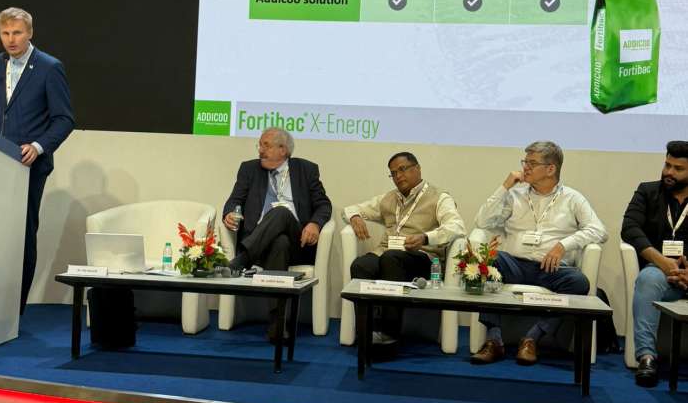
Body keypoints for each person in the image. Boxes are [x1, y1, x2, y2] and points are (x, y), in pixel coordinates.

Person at [0, 7, 73, 314]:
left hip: (27, 166)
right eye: (5, 33)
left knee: (20, 236)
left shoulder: (49, 67)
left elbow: (63, 119)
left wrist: (38, 146)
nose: (11, 39)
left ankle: (12, 312)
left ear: (29, 33)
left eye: (17, 32)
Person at [471, 140, 607, 366]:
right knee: (487, 261)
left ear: (551, 169)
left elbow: (599, 230)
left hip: (550, 269)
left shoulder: (572, 198)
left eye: (532, 163)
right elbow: (482, 222)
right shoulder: (514, 194)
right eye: (524, 162)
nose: (525, 167)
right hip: (514, 263)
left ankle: (531, 339)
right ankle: (494, 340)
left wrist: (563, 245)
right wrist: (504, 187)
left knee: (579, 282)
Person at [342, 152, 466, 345]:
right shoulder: (388, 198)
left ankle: (389, 334)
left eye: (402, 169)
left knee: (392, 258)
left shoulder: (440, 197)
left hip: (422, 257)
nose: (398, 176)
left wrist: (425, 237)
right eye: (393, 173)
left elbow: (457, 227)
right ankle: (366, 332)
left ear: (418, 169)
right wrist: (355, 217)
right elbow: (349, 209)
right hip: (387, 253)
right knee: (361, 265)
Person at [621, 141, 688, 388]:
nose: (669, 172)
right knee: (648, 278)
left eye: (678, 169)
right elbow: (629, 228)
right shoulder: (648, 192)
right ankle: (647, 358)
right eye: (667, 165)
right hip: (661, 276)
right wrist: (661, 261)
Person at [224, 127, 332, 273]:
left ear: (283, 149)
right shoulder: (249, 169)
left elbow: (324, 205)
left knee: (281, 211)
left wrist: (315, 224)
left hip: (297, 242)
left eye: (266, 146)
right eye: (259, 145)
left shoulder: (306, 170)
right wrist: (230, 213)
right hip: (259, 244)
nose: (260, 150)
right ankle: (275, 288)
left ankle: (242, 259)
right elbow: (234, 201)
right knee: (281, 242)